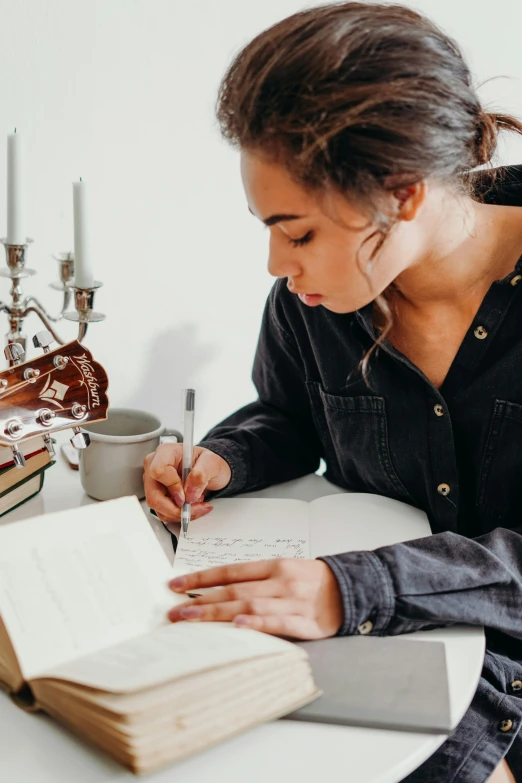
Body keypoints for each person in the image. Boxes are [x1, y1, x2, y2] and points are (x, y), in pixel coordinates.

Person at [143, 4, 522, 781]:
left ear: (405, 192)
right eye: (268, 228)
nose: (278, 263)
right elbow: (289, 416)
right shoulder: (311, 305)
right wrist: (221, 459)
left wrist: (357, 587)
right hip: (388, 649)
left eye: (301, 232)